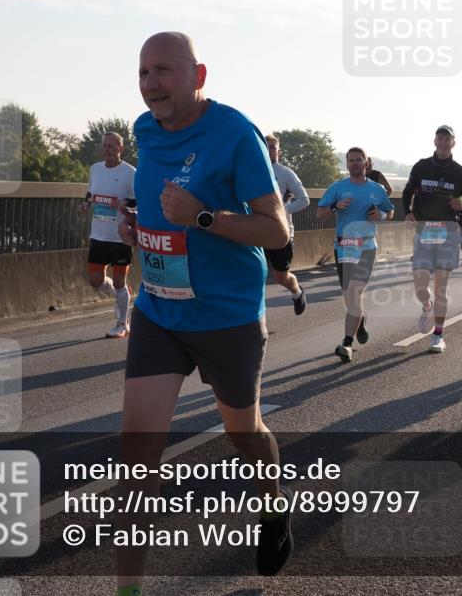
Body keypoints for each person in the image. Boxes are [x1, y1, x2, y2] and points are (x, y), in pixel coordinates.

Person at [116, 32, 294, 593]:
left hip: (227, 315)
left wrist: (203, 217)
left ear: (199, 75)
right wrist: (138, 230)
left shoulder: (235, 133)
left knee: (244, 433)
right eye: (143, 73)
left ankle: (273, 506)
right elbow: (156, 205)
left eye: (163, 72)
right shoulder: (145, 131)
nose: (151, 85)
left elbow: (277, 230)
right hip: (160, 312)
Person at [316, 147, 395, 362]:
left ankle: (346, 344)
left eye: (359, 160)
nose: (354, 164)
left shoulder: (377, 189)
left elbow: (390, 211)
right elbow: (319, 214)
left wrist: (382, 215)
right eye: (351, 160)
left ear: (366, 163)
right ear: (346, 163)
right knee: (350, 298)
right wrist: (335, 206)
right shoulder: (337, 188)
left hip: (367, 246)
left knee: (354, 293)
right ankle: (360, 319)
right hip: (344, 247)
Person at [402, 125, 462, 353]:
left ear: (453, 143)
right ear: (435, 141)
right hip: (424, 232)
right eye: (440, 138)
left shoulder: (461, 173)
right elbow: (406, 193)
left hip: (447, 234)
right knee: (420, 284)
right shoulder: (421, 166)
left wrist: (461, 206)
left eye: (448, 139)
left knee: (441, 287)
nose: (443, 142)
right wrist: (408, 212)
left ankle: (438, 335)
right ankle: (427, 306)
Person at [78, 132, 136, 338]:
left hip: (120, 236)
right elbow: (90, 193)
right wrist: (86, 204)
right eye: (105, 146)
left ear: (121, 148)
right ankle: (121, 294)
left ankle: (122, 323)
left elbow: (137, 202)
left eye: (112, 146)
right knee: (95, 280)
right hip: (99, 234)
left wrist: (120, 204)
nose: (107, 149)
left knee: (119, 281)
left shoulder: (130, 172)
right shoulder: (95, 169)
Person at [264, 134, 309, 315]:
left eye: (273, 147)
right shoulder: (250, 169)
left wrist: (282, 211)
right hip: (255, 230)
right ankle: (256, 320)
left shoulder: (285, 173)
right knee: (253, 274)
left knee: (281, 277)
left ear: (278, 151)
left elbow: (304, 199)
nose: (269, 150)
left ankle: (297, 293)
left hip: (280, 232)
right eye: (266, 146)